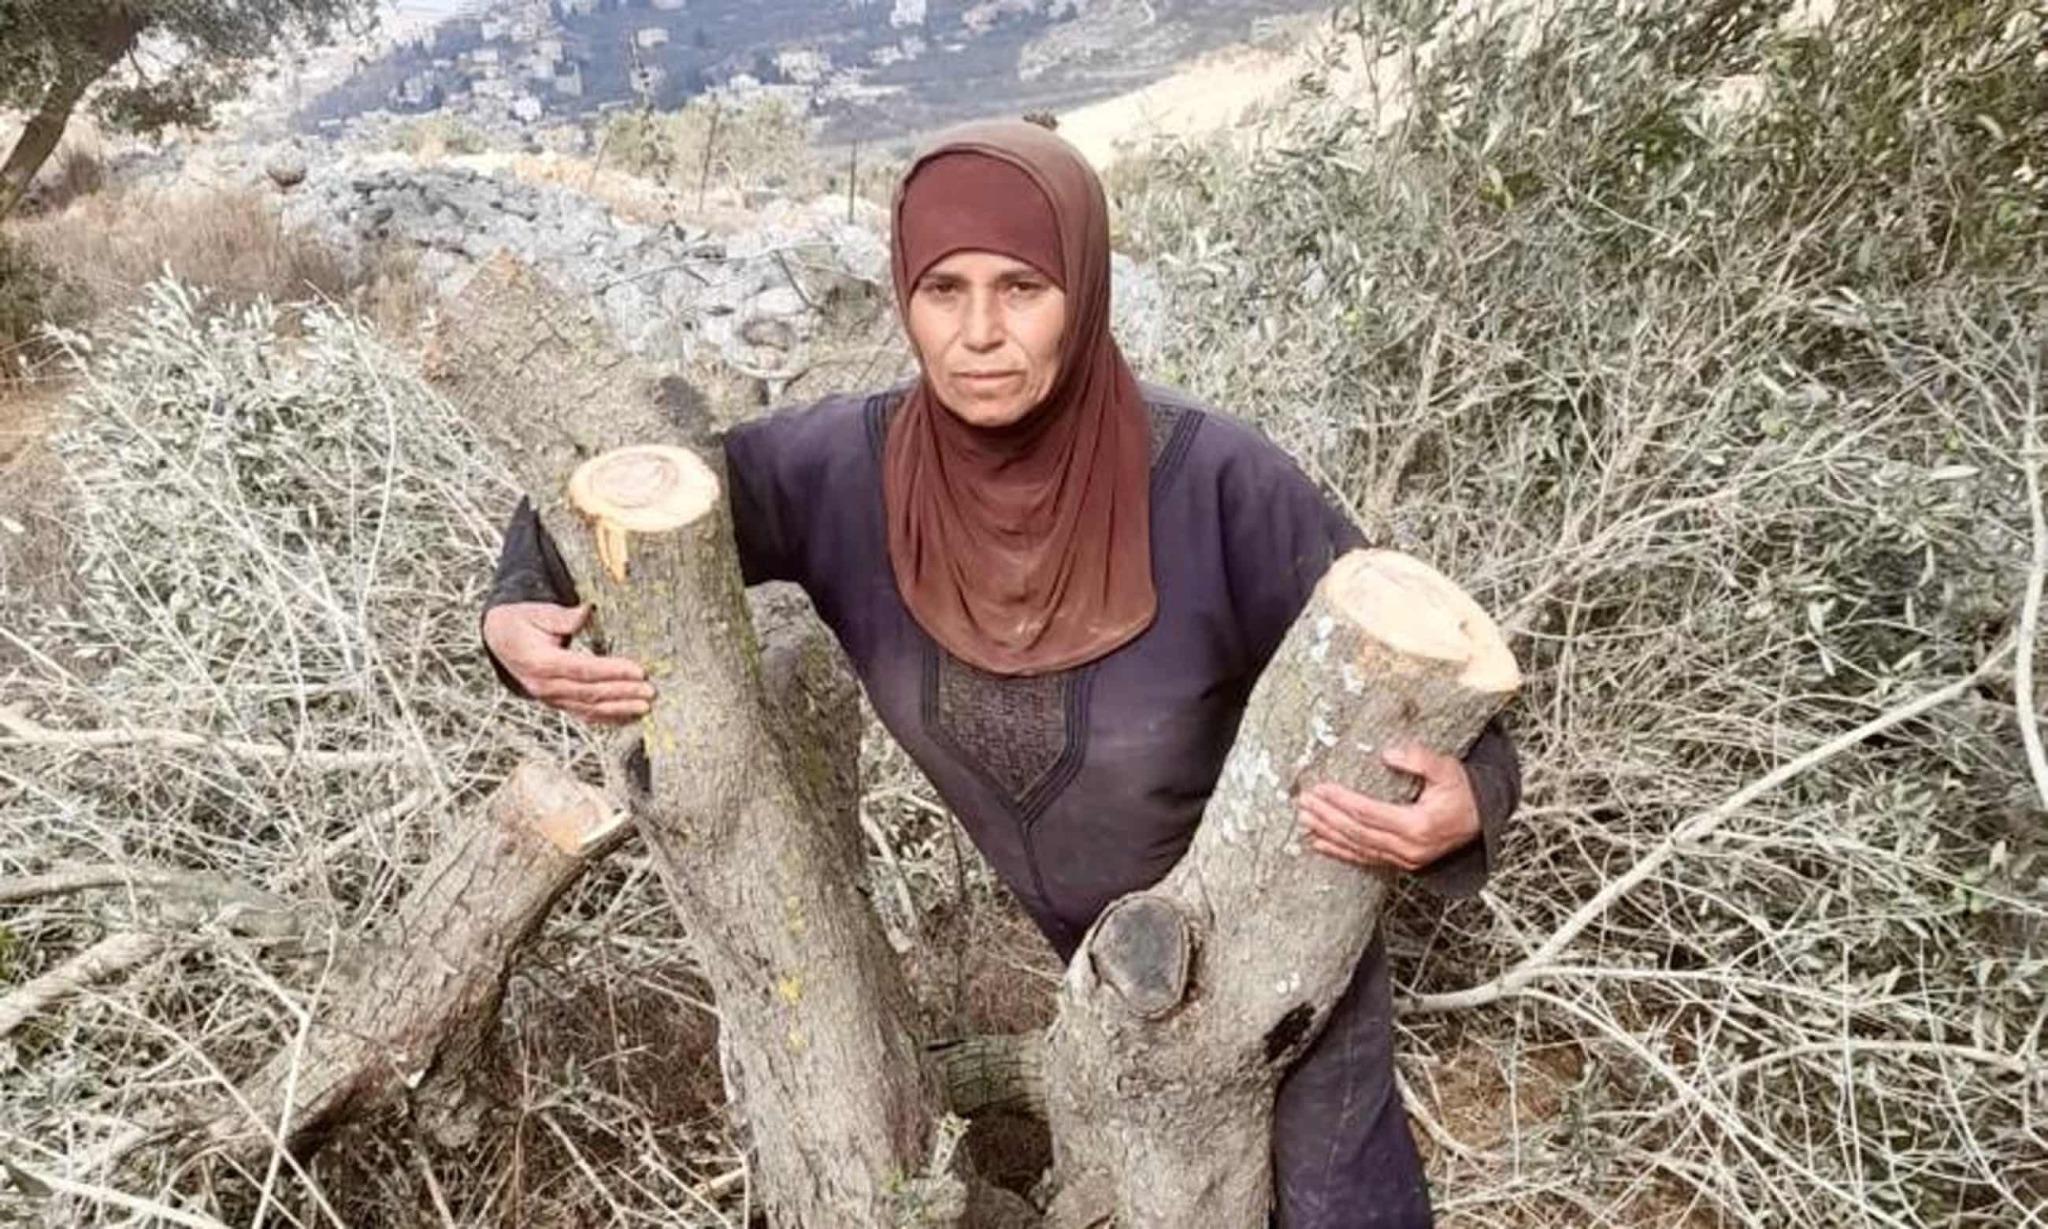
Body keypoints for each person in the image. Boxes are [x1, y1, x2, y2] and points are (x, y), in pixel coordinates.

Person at [482, 118, 1520, 1228]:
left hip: (1280, 964)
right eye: (942, 289)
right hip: (1109, 991)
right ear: (903, 296)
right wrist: (513, 605)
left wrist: (1471, 803)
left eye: (1021, 286)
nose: (978, 332)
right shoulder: (843, 474)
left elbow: (1419, 673)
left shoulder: (1220, 482)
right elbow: (642, 483)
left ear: (1082, 284)